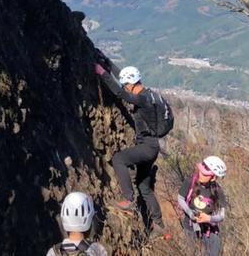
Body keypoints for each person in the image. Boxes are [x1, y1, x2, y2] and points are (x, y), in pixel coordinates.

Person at [93, 62, 169, 230]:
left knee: (118, 159)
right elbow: (124, 79)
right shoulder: (148, 94)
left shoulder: (141, 99)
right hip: (152, 146)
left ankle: (128, 200)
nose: (125, 88)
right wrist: (107, 62)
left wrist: (102, 73)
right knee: (144, 187)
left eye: (126, 85)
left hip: (147, 147)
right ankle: (159, 225)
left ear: (131, 84)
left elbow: (120, 92)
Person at [177, 156, 227, 255]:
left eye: (205, 174)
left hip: (209, 228)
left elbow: (222, 215)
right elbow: (180, 199)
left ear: (213, 177)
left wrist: (209, 218)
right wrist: (190, 213)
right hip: (190, 225)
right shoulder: (190, 182)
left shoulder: (217, 190)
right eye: (201, 172)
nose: (201, 175)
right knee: (192, 252)